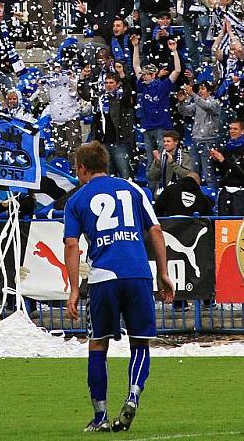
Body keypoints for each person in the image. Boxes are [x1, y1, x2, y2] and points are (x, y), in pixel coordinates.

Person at [64, 141, 174, 433]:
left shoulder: (76, 200)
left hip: (103, 277)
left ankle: (99, 416)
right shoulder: (133, 189)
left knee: (98, 343)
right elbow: (155, 229)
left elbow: (72, 244)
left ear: (83, 169)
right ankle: (133, 396)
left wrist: (74, 289)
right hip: (138, 273)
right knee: (140, 342)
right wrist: (163, 272)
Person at [132, 34, 182, 169]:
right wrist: (136, 47)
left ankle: (162, 187)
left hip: (161, 127)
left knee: (163, 161)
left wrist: (175, 51)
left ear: (153, 75)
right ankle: (151, 189)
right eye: (142, 74)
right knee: (150, 162)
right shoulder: (143, 85)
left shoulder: (162, 86)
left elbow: (177, 70)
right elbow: (135, 65)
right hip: (147, 127)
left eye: (145, 74)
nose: (142, 76)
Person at [79, 69, 136, 179]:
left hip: (119, 142)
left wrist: (123, 76)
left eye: (111, 83)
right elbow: (85, 94)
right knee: (106, 176)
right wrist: (82, 78)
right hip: (102, 143)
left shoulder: (121, 99)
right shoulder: (100, 98)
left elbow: (128, 91)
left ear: (117, 84)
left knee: (126, 175)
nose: (108, 85)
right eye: (106, 83)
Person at [177, 81, 221, 187]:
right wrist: (181, 103)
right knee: (194, 174)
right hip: (195, 141)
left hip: (208, 142)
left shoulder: (215, 103)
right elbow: (185, 112)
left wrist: (193, 94)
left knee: (208, 174)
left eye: (203, 89)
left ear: (209, 91)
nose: (200, 91)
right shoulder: (197, 103)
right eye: (199, 89)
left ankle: (213, 198)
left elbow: (207, 107)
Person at [210, 119, 244, 216]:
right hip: (225, 192)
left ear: (242, 131)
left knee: (237, 226)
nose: (232, 131)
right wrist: (215, 161)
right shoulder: (226, 147)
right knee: (223, 227)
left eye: (235, 129)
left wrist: (223, 160)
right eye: (230, 128)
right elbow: (219, 172)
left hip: (241, 194)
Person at [146, 129, 195, 195]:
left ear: (176, 142)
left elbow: (188, 176)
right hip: (162, 194)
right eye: (164, 141)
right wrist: (157, 162)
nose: (165, 144)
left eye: (168, 141)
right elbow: (151, 177)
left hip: (179, 193)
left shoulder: (185, 157)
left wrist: (172, 163)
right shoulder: (161, 156)